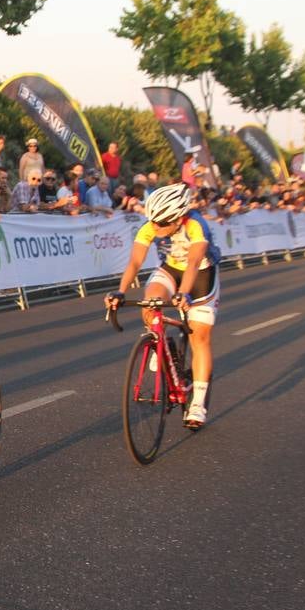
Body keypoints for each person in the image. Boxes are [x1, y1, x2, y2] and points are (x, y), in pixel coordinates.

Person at [105, 183, 221, 430]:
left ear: (178, 217)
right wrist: (120, 291)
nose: (154, 227)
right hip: (170, 268)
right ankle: (158, 344)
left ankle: (198, 401)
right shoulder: (152, 224)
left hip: (200, 275)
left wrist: (183, 294)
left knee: (199, 336)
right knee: (151, 299)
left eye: (161, 223)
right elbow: (135, 262)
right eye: (152, 221)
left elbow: (193, 264)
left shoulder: (196, 226)